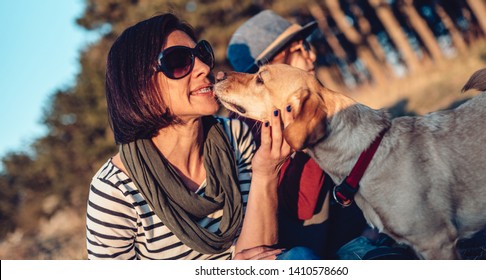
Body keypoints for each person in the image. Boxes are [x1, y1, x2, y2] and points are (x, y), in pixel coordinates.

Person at [85, 13, 318, 260]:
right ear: (140, 86)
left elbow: (259, 257)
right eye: (178, 61)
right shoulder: (114, 192)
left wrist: (266, 171)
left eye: (202, 54)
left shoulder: (234, 136)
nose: (205, 68)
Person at [225, 10, 416, 260]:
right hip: (312, 246)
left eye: (308, 46)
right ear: (273, 65)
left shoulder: (308, 103)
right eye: (300, 49)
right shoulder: (253, 127)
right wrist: (308, 134)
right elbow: (304, 205)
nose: (311, 56)